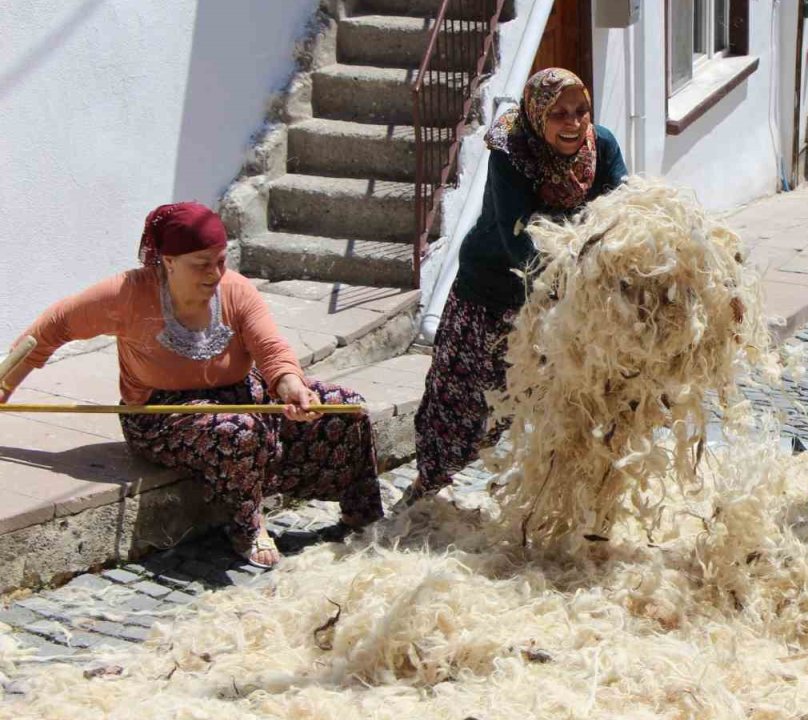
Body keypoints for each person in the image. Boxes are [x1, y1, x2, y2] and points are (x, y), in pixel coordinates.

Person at [0, 203, 382, 568]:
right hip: (161, 414)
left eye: (220, 261)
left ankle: (360, 512)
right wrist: (3, 387)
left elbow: (270, 346)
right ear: (168, 261)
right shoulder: (126, 294)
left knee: (345, 406)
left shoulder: (236, 291)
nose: (215, 274)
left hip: (240, 394)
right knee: (239, 431)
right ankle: (248, 524)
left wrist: (290, 385)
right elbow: (52, 327)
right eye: (202, 265)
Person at [402, 68, 628, 505]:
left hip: (565, 300)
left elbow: (624, 209)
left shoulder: (601, 145)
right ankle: (428, 484)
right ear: (537, 113)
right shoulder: (511, 151)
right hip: (493, 293)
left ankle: (562, 501)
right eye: (559, 113)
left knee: (568, 406)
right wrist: (580, 272)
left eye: (581, 110)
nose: (574, 123)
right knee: (462, 402)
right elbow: (517, 239)